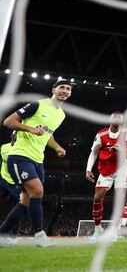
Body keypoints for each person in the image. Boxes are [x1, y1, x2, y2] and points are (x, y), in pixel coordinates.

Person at [0, 79, 70, 247]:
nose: (65, 91)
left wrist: (57, 147)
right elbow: (9, 121)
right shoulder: (37, 105)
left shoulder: (61, 115)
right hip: (20, 156)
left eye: (68, 89)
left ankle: (2, 235)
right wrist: (30, 129)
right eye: (62, 87)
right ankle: (39, 235)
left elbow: (48, 135)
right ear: (54, 89)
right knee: (38, 191)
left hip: (38, 160)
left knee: (25, 201)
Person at [85, 111, 127, 242]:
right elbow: (94, 152)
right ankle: (98, 230)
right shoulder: (101, 134)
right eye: (114, 118)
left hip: (122, 167)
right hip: (105, 168)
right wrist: (88, 169)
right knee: (97, 197)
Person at [0, 131, 21, 237]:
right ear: (11, 136)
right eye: (14, 135)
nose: (15, 137)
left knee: (17, 210)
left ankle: (13, 236)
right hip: (3, 181)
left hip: (16, 185)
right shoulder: (3, 147)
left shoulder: (24, 151)